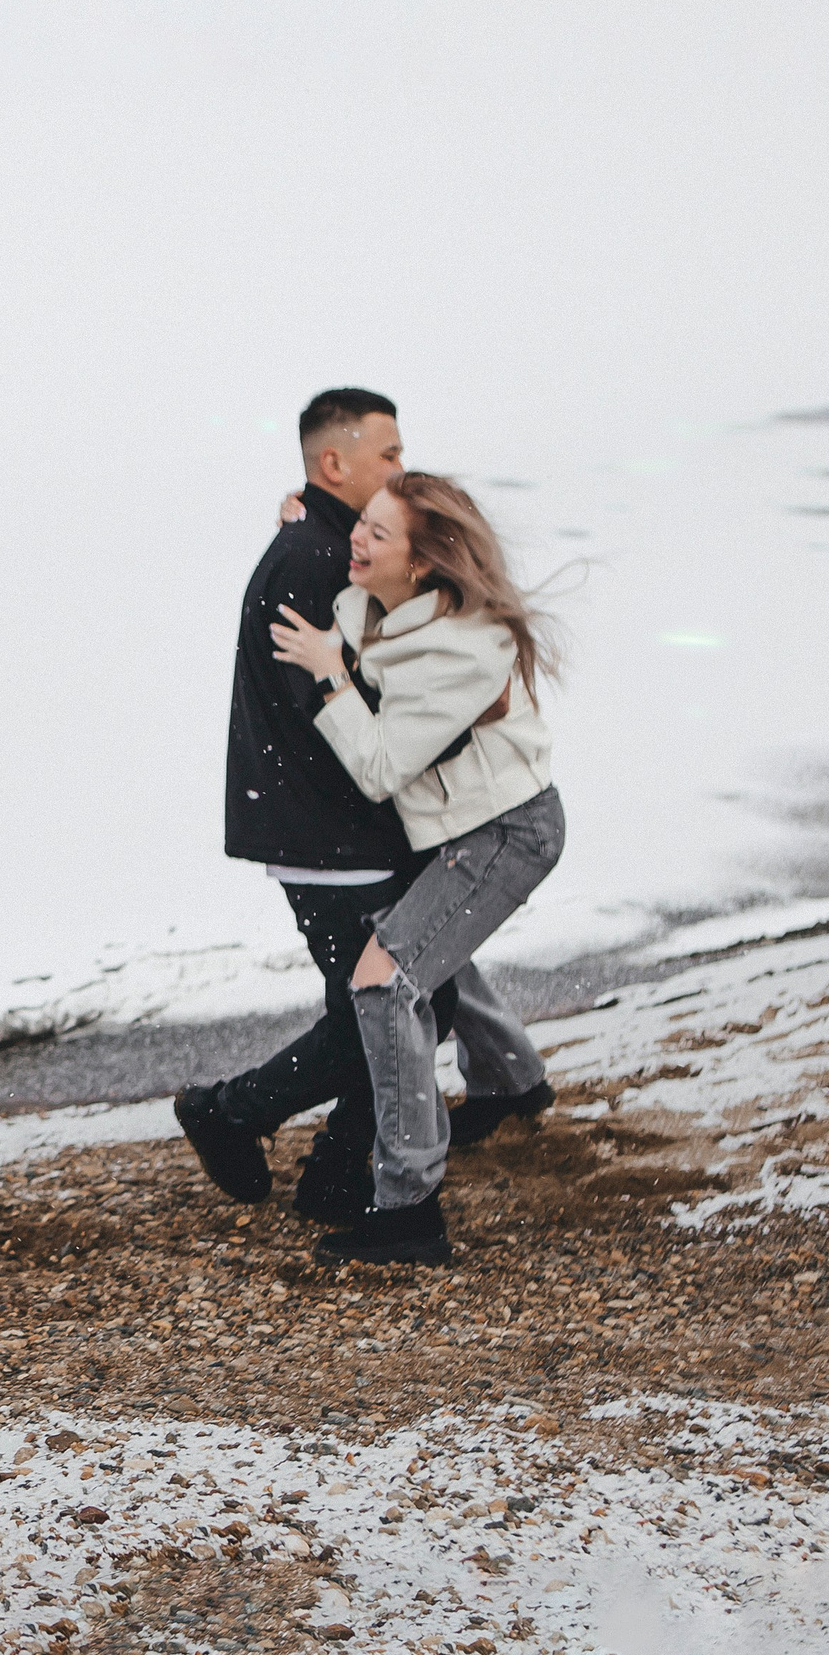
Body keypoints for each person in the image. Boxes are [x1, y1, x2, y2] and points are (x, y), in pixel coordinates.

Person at [177, 389, 500, 1222]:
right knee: (390, 1009)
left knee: (393, 1004)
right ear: (335, 463)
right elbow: (335, 714)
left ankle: (332, 1167)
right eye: (388, 454)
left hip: (324, 829)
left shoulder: (321, 544)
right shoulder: (320, 562)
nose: (401, 467)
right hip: (330, 836)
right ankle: (234, 1114)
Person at [271, 472, 565, 1263]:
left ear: (424, 563)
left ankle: (408, 1211)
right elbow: (346, 580)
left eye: (376, 534)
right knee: (436, 952)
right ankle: (512, 1083)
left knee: (385, 980)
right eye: (359, 524)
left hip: (504, 832)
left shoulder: (462, 649)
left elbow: (379, 770)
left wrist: (329, 673)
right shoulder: (385, 600)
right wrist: (304, 528)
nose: (357, 544)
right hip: (452, 829)